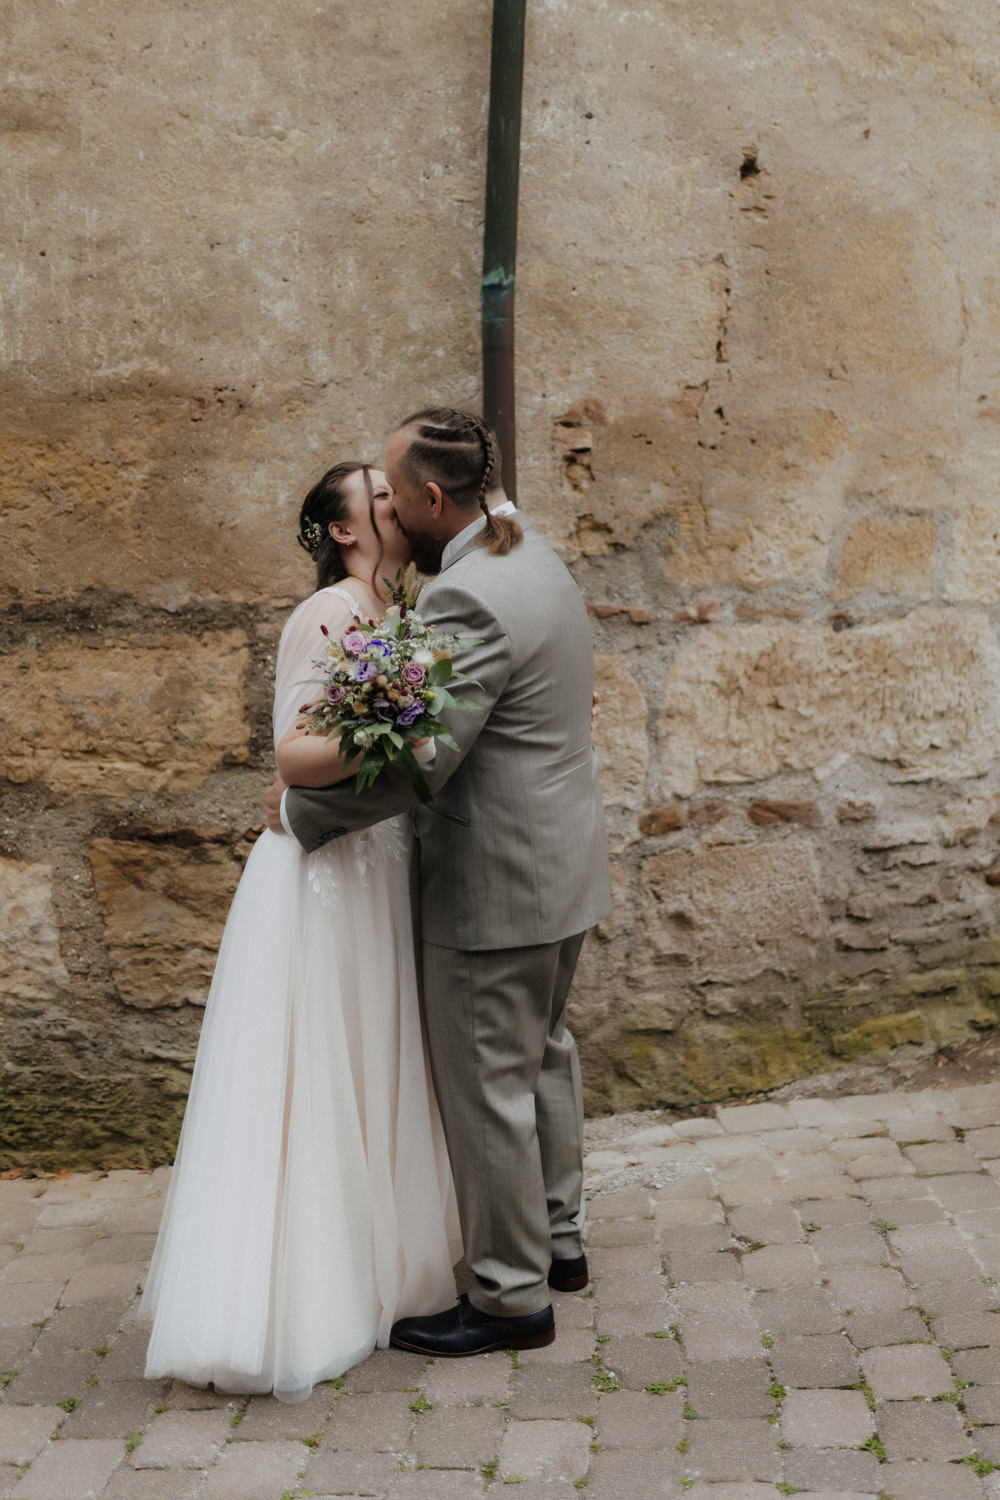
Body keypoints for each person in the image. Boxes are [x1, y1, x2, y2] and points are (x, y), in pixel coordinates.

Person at [266, 408, 611, 1357]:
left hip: (493, 877)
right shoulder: (530, 552)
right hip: (562, 860)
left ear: (430, 498)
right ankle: (560, 1243)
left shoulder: (468, 596)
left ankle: (509, 1297)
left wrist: (303, 816)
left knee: (489, 1085)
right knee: (542, 1055)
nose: (386, 512)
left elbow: (424, 758)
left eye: (391, 492)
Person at [139, 463, 459, 1403]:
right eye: (378, 493)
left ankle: (375, 1268)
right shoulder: (329, 614)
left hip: (367, 862)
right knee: (319, 1064)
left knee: (369, 1053)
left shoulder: (382, 610)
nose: (396, 502)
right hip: (323, 874)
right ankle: (305, 1291)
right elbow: (293, 752)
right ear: (346, 528)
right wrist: (406, 721)